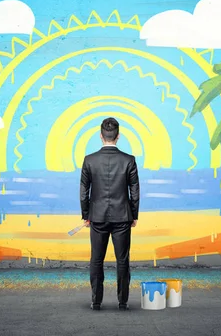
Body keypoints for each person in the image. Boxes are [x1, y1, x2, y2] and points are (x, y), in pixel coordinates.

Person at [80, 117, 140, 311]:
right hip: (123, 216)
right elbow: (135, 190)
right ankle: (123, 302)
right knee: (123, 260)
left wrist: (85, 214)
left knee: (96, 259)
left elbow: (84, 191)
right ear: (118, 136)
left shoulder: (89, 160)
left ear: (100, 136)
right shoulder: (129, 160)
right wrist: (134, 214)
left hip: (97, 217)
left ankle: (96, 301)